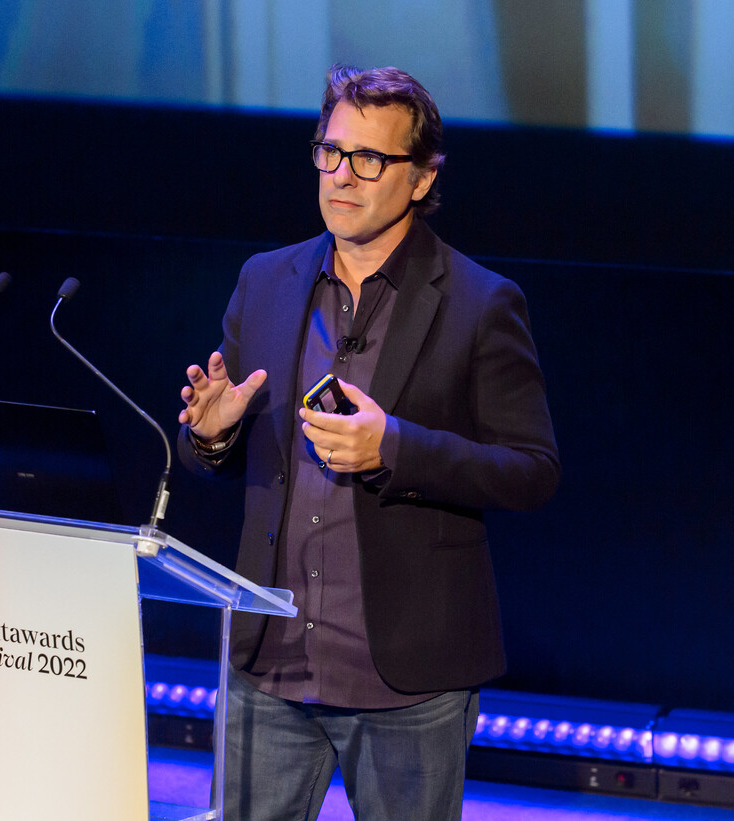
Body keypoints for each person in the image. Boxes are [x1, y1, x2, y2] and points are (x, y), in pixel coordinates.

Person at [177, 64, 560, 820]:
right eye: (331, 151)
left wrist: (394, 449)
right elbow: (220, 455)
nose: (342, 175)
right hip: (269, 666)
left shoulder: (481, 302)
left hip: (405, 682)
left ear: (422, 178)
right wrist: (213, 436)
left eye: (370, 159)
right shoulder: (265, 281)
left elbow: (532, 471)